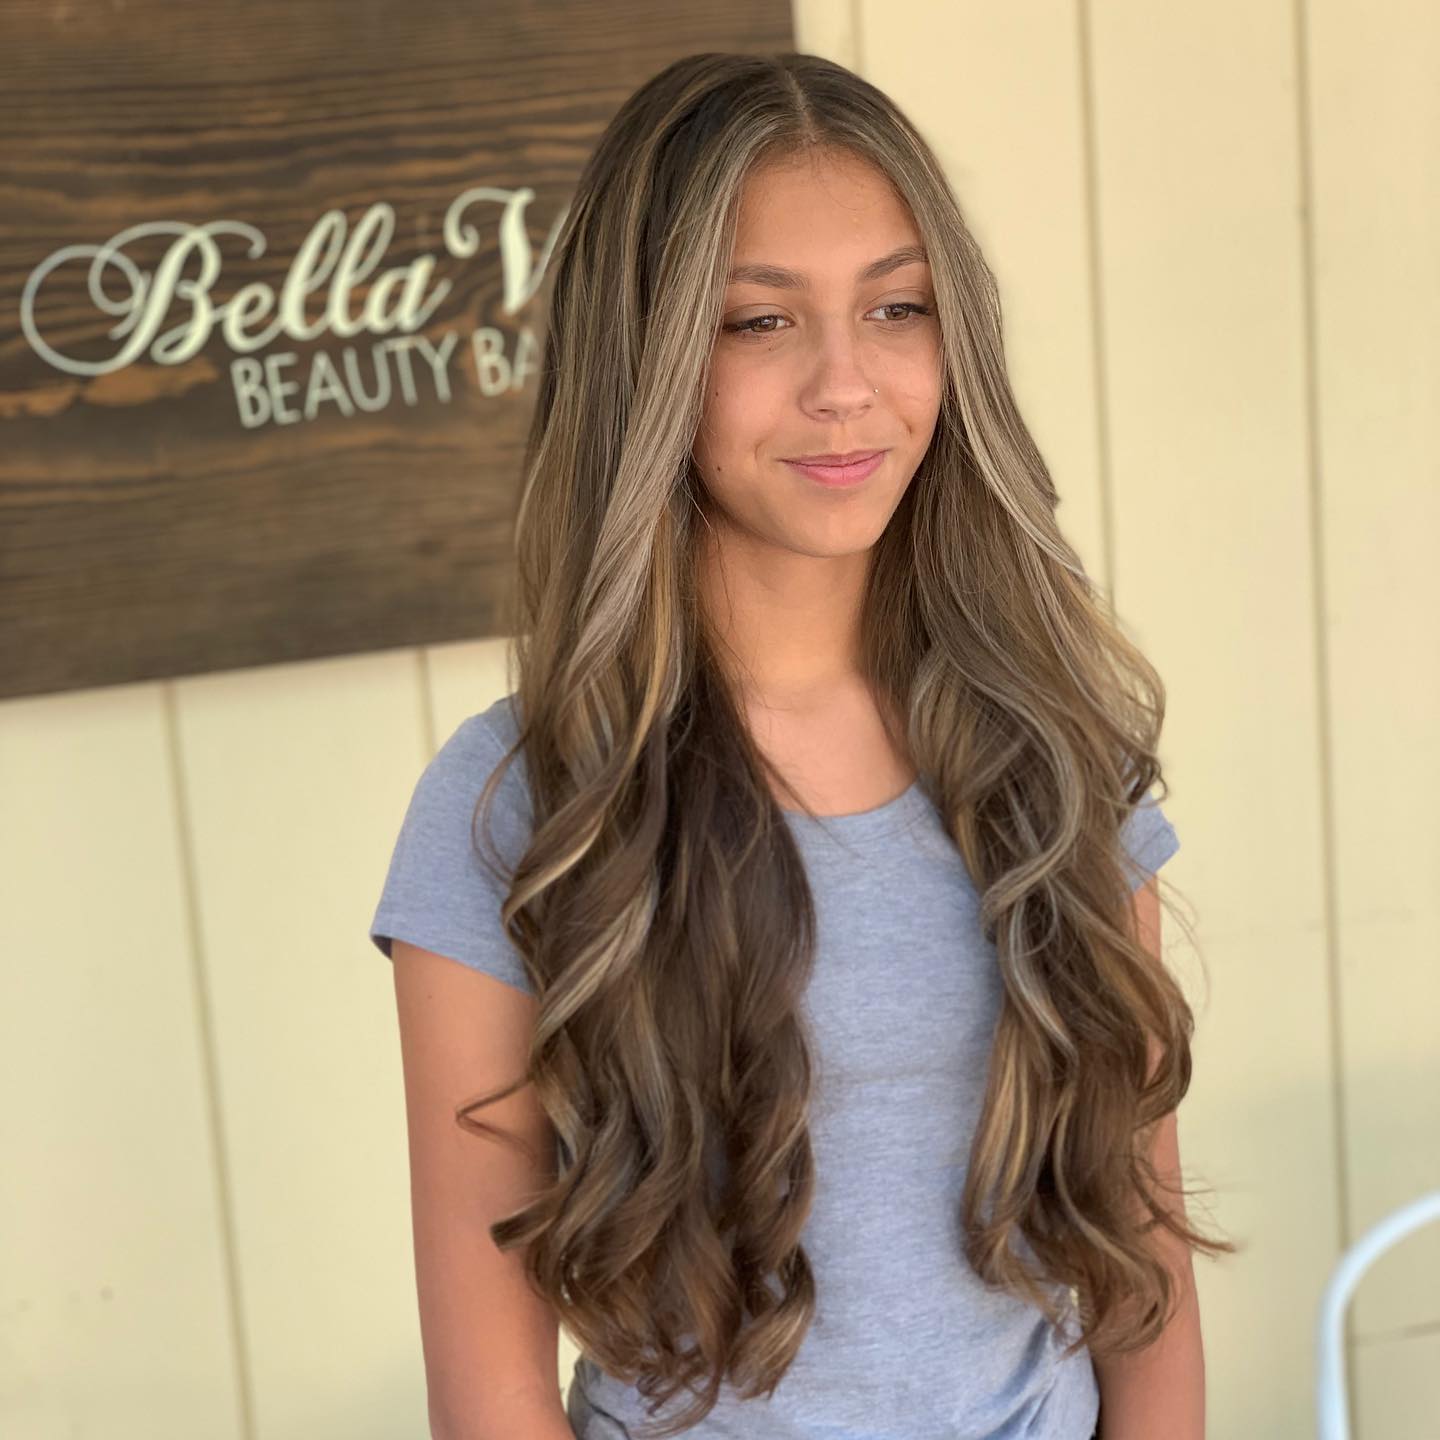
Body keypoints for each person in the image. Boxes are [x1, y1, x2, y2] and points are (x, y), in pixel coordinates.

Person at [369, 50, 1232, 1440]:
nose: (846, 385)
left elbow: (1143, 1251)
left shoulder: (1053, 743)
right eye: (760, 322)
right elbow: (490, 1381)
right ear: (645, 361)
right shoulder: (519, 803)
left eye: (897, 308)